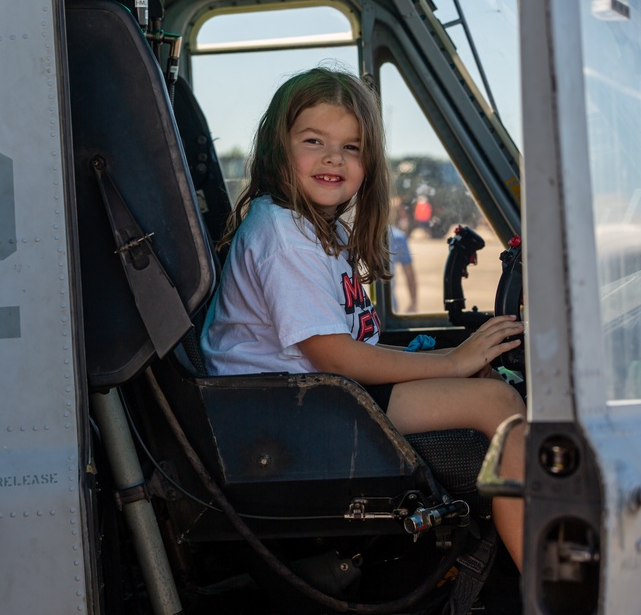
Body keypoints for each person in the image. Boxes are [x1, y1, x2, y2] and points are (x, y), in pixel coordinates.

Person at [200, 67, 526, 570]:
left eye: (352, 147)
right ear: (277, 149)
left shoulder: (317, 229)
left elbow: (353, 345)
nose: (333, 158)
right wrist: (452, 364)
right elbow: (333, 354)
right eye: (314, 141)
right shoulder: (284, 234)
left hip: (318, 398)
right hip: (286, 416)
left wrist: (452, 359)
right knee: (501, 404)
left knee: (490, 387)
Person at [389, 224, 418, 313]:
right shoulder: (397, 237)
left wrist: (413, 303)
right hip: (389, 305)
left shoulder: (398, 237)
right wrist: (413, 303)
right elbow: (409, 274)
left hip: (388, 305)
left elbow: (410, 274)